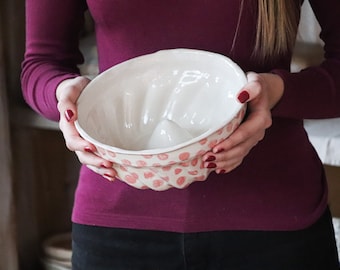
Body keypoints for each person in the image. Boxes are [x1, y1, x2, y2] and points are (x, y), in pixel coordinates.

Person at [21, 0, 340, 269]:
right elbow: (40, 64)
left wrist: (276, 92)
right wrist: (63, 96)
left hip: (274, 226)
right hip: (117, 225)